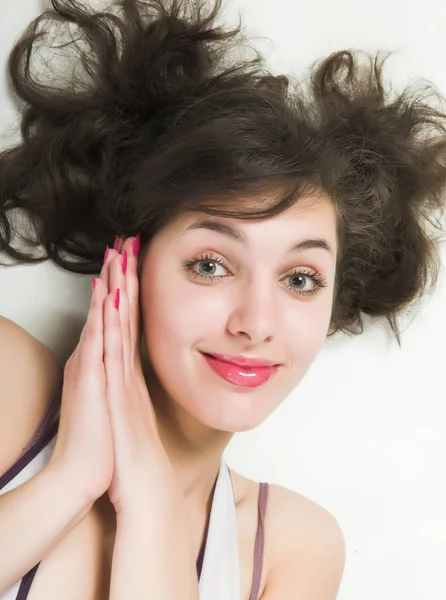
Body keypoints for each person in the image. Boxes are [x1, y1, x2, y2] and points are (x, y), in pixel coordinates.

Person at [0, 0, 446, 598]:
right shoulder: (11, 383)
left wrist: (150, 502)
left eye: (301, 279)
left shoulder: (293, 547)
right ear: (129, 260)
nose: (257, 323)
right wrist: (70, 481)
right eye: (210, 265)